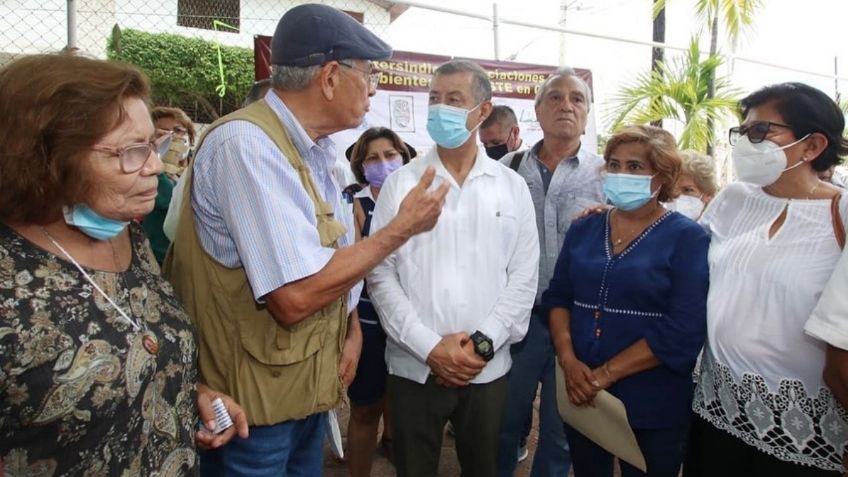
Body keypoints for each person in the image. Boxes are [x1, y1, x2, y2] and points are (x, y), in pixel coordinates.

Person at [163, 4, 449, 476]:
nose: (373, 87)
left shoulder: (319, 153)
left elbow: (330, 259)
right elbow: (293, 296)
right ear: (331, 77)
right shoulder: (248, 146)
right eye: (367, 73)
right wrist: (401, 229)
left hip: (305, 392)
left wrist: (353, 328)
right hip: (251, 413)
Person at [0, 53, 247, 475]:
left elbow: (137, 344)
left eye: (153, 145)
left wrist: (189, 389)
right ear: (48, 159)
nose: (154, 166)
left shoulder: (126, 236)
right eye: (132, 152)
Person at [368, 59, 540, 477]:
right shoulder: (401, 184)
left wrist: (481, 346)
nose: (439, 108)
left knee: (484, 467)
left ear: (483, 111)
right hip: (414, 367)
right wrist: (429, 346)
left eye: (453, 99)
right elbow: (380, 273)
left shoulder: (510, 186)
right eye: (433, 99)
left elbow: (523, 277)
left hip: (488, 367)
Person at [686, 82, 848, 476]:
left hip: (802, 425)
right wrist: (619, 217)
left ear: (812, 146)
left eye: (761, 132)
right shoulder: (734, 197)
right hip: (716, 404)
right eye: (742, 132)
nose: (745, 142)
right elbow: (679, 252)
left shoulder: (841, 212)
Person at [543, 124, 709, 477]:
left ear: (661, 177)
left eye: (635, 167)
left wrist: (604, 375)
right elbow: (558, 297)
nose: (620, 174)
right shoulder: (585, 227)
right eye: (614, 165)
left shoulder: (687, 237)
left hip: (653, 395)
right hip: (581, 389)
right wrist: (569, 360)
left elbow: (683, 328)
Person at [496, 66, 604, 477]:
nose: (566, 105)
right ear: (537, 111)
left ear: (587, 113)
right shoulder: (508, 168)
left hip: (577, 327)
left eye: (577, 98)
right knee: (503, 424)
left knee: (562, 435)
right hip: (517, 323)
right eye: (555, 98)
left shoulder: (604, 174)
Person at [344, 127, 413, 476]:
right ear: (361, 165)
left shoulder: (420, 199)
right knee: (364, 408)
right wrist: (352, 330)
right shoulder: (354, 204)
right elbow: (351, 271)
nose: (383, 163)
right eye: (372, 157)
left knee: (402, 407)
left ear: (403, 157)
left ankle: (393, 443)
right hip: (370, 323)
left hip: (410, 324)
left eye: (390, 155)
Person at [143, 106, 196, 264]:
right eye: (164, 133)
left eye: (179, 131)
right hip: (158, 258)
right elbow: (170, 198)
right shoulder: (150, 171)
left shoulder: (198, 166)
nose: (173, 137)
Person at [664, 149, 718, 220]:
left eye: (687, 190)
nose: (677, 196)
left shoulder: (716, 229)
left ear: (708, 195)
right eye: (671, 189)